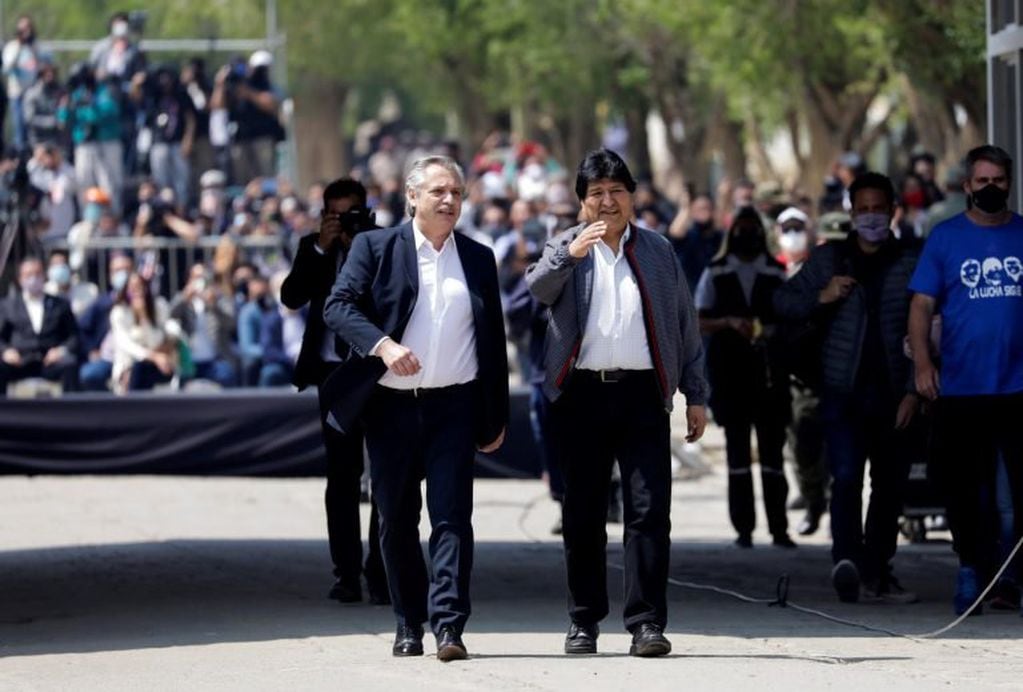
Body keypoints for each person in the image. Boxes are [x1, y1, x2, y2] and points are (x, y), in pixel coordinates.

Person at [323, 156, 508, 661]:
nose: (449, 201)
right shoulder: (375, 247)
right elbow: (337, 307)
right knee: (397, 520)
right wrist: (383, 346)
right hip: (390, 409)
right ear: (412, 197)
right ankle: (409, 621)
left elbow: (491, 342)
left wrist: (495, 415)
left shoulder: (477, 257)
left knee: (452, 518)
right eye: (438, 192)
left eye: (456, 193)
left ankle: (450, 626)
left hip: (455, 405)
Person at [526, 149, 708, 657]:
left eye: (617, 192)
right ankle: (583, 621)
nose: (607, 203)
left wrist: (695, 393)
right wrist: (570, 255)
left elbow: (684, 325)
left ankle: (647, 622)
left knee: (650, 511)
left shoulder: (657, 251)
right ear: (582, 202)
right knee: (583, 511)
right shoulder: (565, 245)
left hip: (643, 394)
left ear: (632, 196)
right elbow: (536, 290)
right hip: (580, 394)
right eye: (596, 194)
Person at [774, 172, 920, 605]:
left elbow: (931, 329)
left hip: (895, 393)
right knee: (847, 478)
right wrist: (822, 295)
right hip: (842, 391)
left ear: (893, 210)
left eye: (879, 209)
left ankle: (878, 568)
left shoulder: (912, 261)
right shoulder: (828, 259)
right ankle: (848, 562)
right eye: (864, 210)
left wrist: (914, 390)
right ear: (851, 212)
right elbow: (783, 303)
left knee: (890, 485)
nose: (872, 217)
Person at [907, 145, 1023, 616]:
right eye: (982, 181)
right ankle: (972, 570)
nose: (990, 188)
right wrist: (921, 366)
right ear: (966, 186)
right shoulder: (945, 238)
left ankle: (1010, 576)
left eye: (998, 180)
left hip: (1018, 389)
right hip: (962, 387)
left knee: (1017, 493)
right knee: (963, 490)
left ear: (1008, 183)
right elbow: (920, 306)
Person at [280, 178, 388, 605]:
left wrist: (364, 241)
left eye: (353, 214)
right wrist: (325, 249)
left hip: (378, 372)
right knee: (341, 477)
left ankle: (381, 570)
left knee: (385, 474)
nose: (345, 222)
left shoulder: (385, 245)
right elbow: (291, 296)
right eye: (336, 215)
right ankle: (346, 573)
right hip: (332, 373)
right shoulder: (313, 247)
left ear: (368, 212)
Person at [695, 206, 794, 549]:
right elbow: (697, 319)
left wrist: (768, 331)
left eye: (753, 228)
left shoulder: (776, 272)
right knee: (737, 456)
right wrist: (727, 323)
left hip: (769, 376)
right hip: (729, 375)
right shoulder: (717, 271)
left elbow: (791, 319)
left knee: (773, 457)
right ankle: (744, 529)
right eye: (742, 228)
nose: (747, 234)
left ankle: (779, 528)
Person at [774, 206, 829, 535]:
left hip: (822, 368)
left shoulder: (818, 269)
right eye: (788, 228)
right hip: (788, 372)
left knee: (830, 442)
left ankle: (830, 502)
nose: (793, 234)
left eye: (799, 227)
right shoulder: (773, 271)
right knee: (800, 442)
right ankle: (812, 499)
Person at [0, 257, 80, 395]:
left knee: (70, 365)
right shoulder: (7, 305)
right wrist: (6, 351)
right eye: (28, 275)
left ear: (44, 276)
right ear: (20, 279)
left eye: (37, 274)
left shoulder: (60, 304)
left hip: (49, 361)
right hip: (19, 362)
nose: (33, 279)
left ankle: (70, 414)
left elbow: (74, 337)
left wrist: (61, 351)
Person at [110, 271, 174, 392]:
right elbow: (126, 345)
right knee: (138, 368)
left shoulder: (157, 307)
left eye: (140, 287)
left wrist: (143, 316)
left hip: (155, 365)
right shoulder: (118, 312)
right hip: (128, 366)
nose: (137, 292)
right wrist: (153, 356)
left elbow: (156, 342)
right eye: (132, 288)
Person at [2, 15, 42, 152]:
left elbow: (43, 67)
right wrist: (20, 46)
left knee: (33, 129)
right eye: (23, 29)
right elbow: (7, 67)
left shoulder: (36, 46)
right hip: (17, 93)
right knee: (20, 128)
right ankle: (20, 157)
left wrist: (32, 49)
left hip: (34, 94)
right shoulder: (12, 46)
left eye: (28, 28)